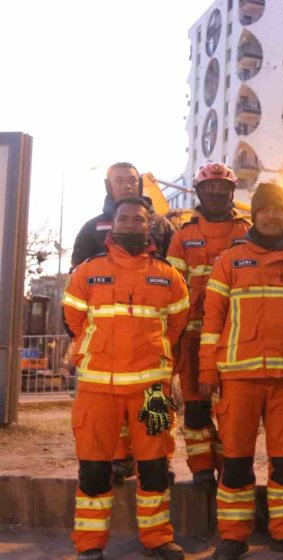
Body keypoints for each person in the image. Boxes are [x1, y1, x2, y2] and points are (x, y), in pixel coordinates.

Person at [62, 197, 189, 560]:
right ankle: (89, 545)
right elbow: (73, 319)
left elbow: (177, 325)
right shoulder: (88, 271)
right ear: (112, 223)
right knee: (94, 470)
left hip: (152, 390)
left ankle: (157, 537)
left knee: (154, 468)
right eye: (124, 218)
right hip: (97, 389)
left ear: (148, 226)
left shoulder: (168, 275)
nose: (131, 224)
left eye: (139, 219)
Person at [199, 183, 283, 560]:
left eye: (277, 209)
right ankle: (233, 535)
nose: (270, 216)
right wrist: (207, 370)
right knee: (235, 459)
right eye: (263, 209)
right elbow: (212, 319)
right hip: (237, 377)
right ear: (255, 214)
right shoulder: (230, 260)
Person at [71, 162, 177, 483]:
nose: (128, 186)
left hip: (148, 350)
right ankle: (119, 459)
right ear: (108, 185)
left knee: (154, 413)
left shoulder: (161, 226)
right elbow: (76, 288)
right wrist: (85, 339)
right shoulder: (93, 228)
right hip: (105, 349)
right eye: (120, 181)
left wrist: (163, 341)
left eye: (132, 180)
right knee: (108, 413)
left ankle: (158, 461)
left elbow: (177, 292)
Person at [166, 163, 250, 488]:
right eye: (210, 189)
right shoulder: (183, 235)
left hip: (234, 333)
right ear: (199, 192)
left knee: (231, 406)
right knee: (196, 405)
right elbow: (172, 288)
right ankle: (202, 467)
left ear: (231, 193)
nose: (216, 194)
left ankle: (230, 463)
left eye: (222, 189)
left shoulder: (245, 231)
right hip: (192, 333)